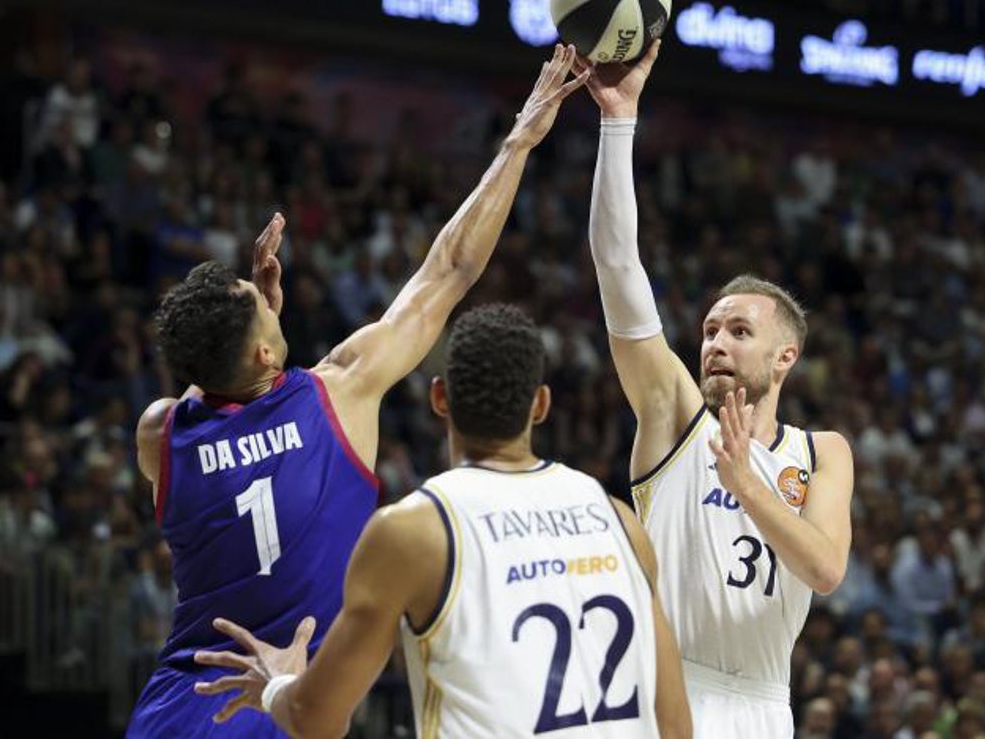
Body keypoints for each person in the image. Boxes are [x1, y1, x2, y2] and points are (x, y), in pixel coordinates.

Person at [125, 45, 590, 738]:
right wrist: (519, 140)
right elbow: (450, 271)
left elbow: (213, 387)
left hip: (175, 707)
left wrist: (253, 331)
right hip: (278, 701)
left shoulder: (159, 433)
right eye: (259, 303)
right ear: (259, 347)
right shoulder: (338, 392)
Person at [192, 304, 693, 738]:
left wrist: (278, 683)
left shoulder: (413, 531)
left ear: (439, 399)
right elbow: (675, 727)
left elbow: (318, 718)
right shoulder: (618, 520)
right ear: (540, 405)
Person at [577, 41, 855, 736]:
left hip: (765, 703)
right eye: (708, 330)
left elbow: (824, 569)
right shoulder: (676, 418)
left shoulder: (824, 453)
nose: (715, 343)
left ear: (785, 356)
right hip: (667, 687)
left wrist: (748, 486)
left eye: (737, 331)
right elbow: (618, 270)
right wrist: (619, 122)